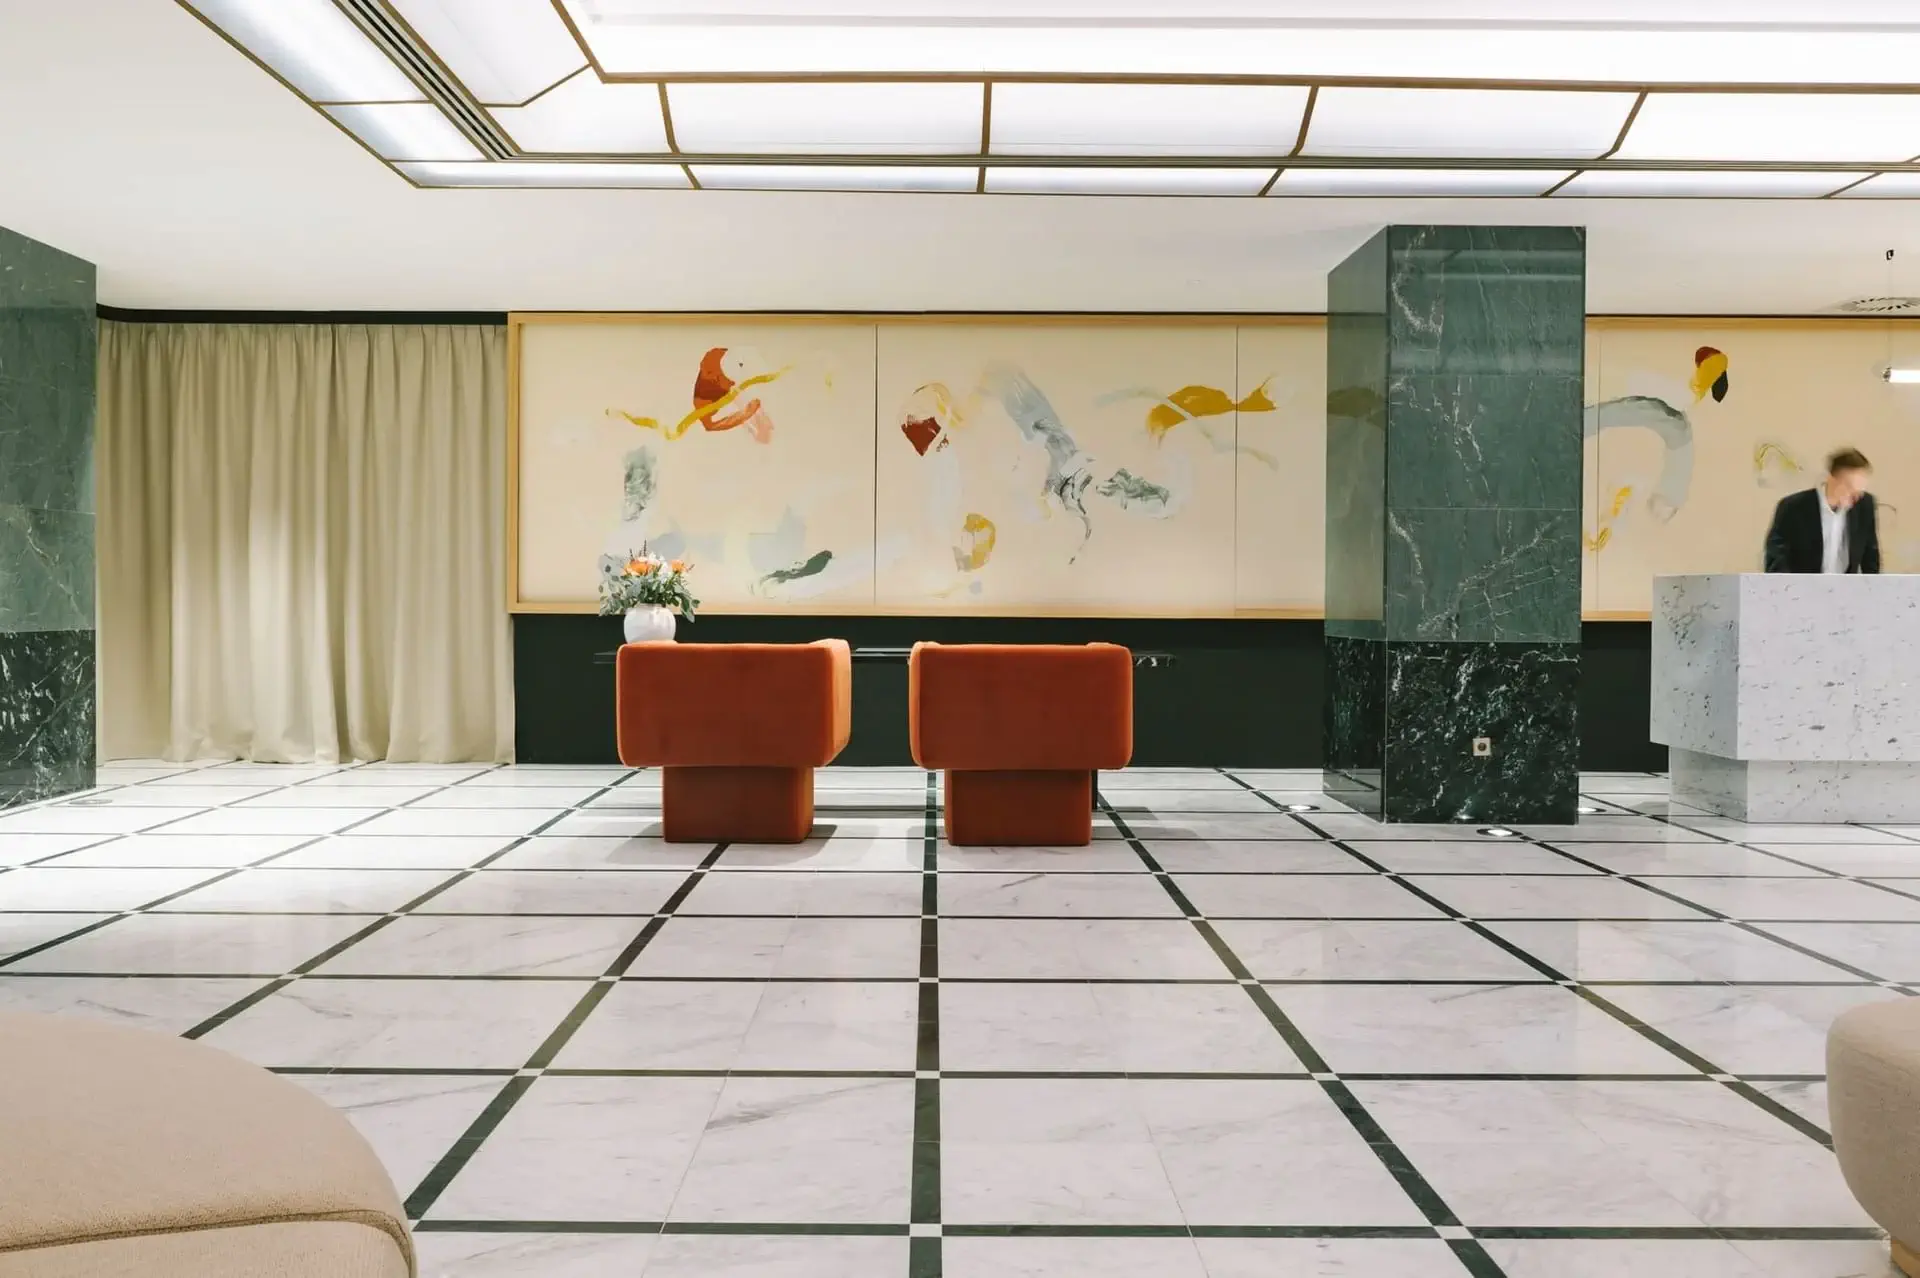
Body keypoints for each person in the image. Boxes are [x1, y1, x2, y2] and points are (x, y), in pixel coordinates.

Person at [1764, 447, 1881, 574]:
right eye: (1849, 487)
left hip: (1846, 589)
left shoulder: (1864, 506)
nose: (1856, 496)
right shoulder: (1793, 507)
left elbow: (1871, 558)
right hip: (1802, 588)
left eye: (1860, 491)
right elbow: (1776, 558)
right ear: (1831, 479)